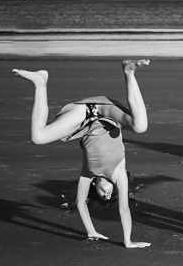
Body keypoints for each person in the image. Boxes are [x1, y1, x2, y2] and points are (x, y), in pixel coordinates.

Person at [12, 60, 153, 249]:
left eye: (103, 196)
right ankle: (129, 71)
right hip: (106, 112)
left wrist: (91, 231)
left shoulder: (88, 174)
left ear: (95, 189)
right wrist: (128, 241)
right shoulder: (119, 174)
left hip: (82, 117)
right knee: (140, 126)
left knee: (38, 138)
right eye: (110, 195)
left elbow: (80, 203)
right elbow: (124, 208)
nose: (107, 194)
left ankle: (40, 82)